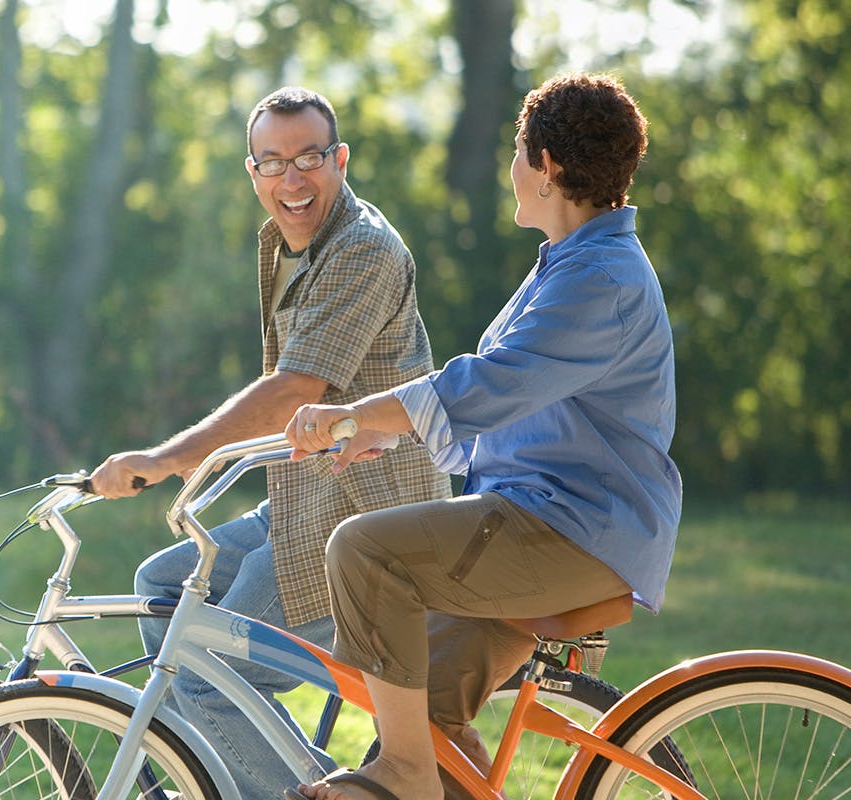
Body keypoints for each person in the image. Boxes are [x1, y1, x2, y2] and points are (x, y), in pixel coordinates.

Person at [285, 73, 682, 800]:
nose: (512, 166)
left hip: (574, 528)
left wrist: (354, 415)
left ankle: (403, 774)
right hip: (539, 516)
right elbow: (517, 408)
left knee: (365, 549)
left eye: (516, 148)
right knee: (428, 716)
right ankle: (421, 767)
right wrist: (392, 436)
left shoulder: (600, 276)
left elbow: (489, 383)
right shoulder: (573, 263)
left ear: (547, 166)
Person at [88, 86, 450, 799]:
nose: (293, 179)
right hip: (303, 498)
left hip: (363, 519)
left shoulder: (362, 251)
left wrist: (167, 460)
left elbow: (294, 391)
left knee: (208, 679)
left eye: (310, 157)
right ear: (251, 171)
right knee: (159, 588)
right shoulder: (287, 241)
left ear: (339, 160)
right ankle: (206, 782)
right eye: (273, 161)